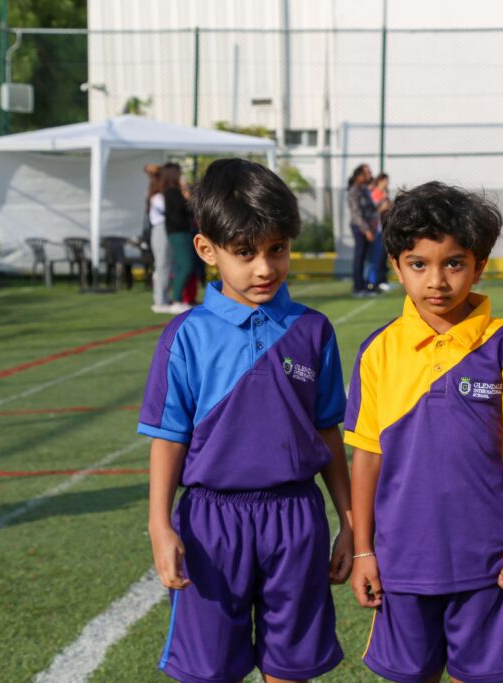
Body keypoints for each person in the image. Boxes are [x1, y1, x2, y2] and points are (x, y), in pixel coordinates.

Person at [138, 158, 353, 683]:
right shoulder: (185, 337)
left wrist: (349, 522)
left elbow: (328, 432)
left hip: (295, 518)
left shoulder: (313, 330)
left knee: (292, 666)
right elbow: (169, 439)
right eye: (245, 252)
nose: (264, 268)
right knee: (210, 669)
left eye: (277, 249)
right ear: (206, 249)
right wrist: (159, 524)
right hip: (211, 525)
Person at [346, 181, 503, 682]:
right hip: (401, 565)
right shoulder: (378, 352)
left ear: (478, 266)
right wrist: (363, 549)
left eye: (454, 263)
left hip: (486, 566)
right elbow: (367, 457)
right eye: (418, 264)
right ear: (396, 266)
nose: (436, 280)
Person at [346, 163, 378, 297]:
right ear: (359, 175)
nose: (370, 175)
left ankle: (365, 285)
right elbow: (356, 214)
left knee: (366, 258)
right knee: (359, 257)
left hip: (369, 227)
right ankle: (358, 287)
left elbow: (371, 207)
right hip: (360, 228)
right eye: (367, 173)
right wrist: (366, 230)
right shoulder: (353, 191)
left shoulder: (364, 189)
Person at [146, 164, 172, 313]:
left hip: (162, 229)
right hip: (160, 229)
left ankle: (163, 298)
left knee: (164, 265)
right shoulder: (158, 197)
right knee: (162, 265)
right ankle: (160, 300)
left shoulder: (158, 196)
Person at [367, 172, 392, 291]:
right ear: (380, 181)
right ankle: (373, 282)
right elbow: (375, 209)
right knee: (376, 258)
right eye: (386, 181)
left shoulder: (384, 193)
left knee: (382, 257)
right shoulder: (375, 193)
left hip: (383, 229)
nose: (387, 183)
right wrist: (383, 203)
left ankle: (382, 280)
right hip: (376, 229)